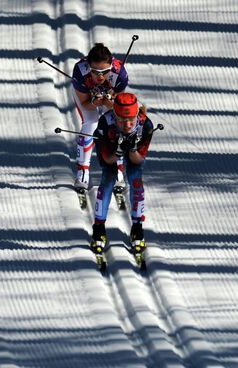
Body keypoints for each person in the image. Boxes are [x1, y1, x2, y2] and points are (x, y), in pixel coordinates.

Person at [90, 92, 154, 255]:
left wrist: (132, 148)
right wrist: (118, 152)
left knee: (136, 181)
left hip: (134, 153)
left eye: (131, 120)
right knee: (107, 181)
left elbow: (138, 160)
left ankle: (137, 228)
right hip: (111, 150)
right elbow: (106, 160)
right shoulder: (106, 123)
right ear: (115, 115)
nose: (127, 125)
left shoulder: (145, 125)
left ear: (137, 116)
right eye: (122, 120)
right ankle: (98, 229)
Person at [71, 43, 129, 192]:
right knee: (91, 121)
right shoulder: (80, 71)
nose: (100, 76)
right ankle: (82, 171)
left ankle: (117, 169)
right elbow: (85, 104)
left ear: (111, 66)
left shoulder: (120, 74)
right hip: (88, 97)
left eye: (105, 71)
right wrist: (95, 101)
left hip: (110, 98)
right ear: (88, 67)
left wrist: (109, 102)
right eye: (95, 72)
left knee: (116, 123)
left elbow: (119, 107)